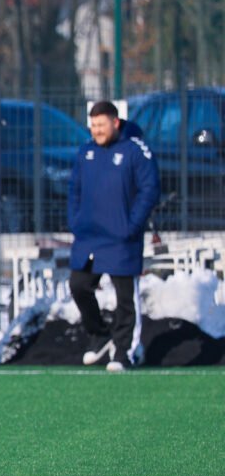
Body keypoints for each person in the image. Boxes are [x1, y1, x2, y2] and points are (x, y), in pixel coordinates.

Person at [69, 100, 160, 372]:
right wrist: (76, 221)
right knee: (79, 285)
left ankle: (123, 352)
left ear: (115, 122)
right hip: (89, 237)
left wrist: (130, 225)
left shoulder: (135, 150)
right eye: (93, 125)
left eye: (101, 124)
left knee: (124, 298)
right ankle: (99, 335)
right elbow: (74, 189)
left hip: (121, 238)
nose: (96, 130)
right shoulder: (86, 152)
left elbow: (149, 190)